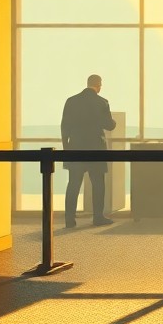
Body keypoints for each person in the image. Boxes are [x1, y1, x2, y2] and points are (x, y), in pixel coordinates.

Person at [61, 74, 118, 227]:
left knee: (73, 184)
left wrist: (66, 148)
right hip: (96, 148)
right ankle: (98, 217)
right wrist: (114, 122)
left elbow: (64, 127)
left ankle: (69, 219)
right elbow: (109, 125)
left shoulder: (71, 101)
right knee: (98, 183)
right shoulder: (102, 102)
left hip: (75, 148)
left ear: (87, 84)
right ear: (98, 85)